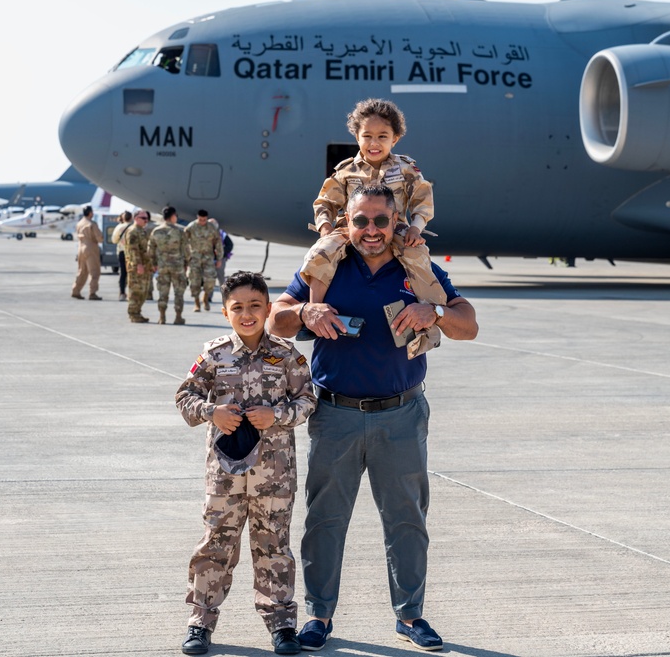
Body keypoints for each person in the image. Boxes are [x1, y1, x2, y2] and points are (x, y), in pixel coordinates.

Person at [267, 184, 478, 652]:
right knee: (324, 519)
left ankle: (410, 616)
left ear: (395, 221)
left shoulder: (416, 265)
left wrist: (435, 311)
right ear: (346, 221)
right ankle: (319, 615)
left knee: (406, 518)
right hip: (335, 414)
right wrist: (306, 309)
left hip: (401, 415)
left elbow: (469, 323)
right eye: (360, 221)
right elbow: (275, 319)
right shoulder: (327, 266)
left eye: (381, 220)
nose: (371, 230)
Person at [175, 271, 317, 656]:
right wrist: (211, 412)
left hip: (275, 473)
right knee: (216, 543)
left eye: (255, 306)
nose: (247, 313)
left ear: (269, 309)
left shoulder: (287, 355)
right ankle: (200, 622)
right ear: (226, 312)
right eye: (238, 307)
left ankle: (282, 624)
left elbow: (308, 400)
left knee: (273, 544)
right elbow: (184, 397)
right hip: (225, 474)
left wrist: (278, 415)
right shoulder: (214, 354)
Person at [304, 99, 446, 356]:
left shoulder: (405, 169)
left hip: (396, 229)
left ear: (396, 138)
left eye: (382, 136)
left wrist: (416, 228)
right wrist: (325, 228)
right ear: (356, 137)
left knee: (419, 258)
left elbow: (423, 200)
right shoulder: (346, 171)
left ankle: (431, 320)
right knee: (320, 252)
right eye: (367, 136)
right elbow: (325, 201)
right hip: (353, 230)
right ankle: (315, 312)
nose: (374, 143)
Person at [148, 206, 189, 325]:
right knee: (178, 293)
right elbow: (186, 250)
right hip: (177, 266)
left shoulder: (156, 231)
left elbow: (150, 250)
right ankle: (178, 317)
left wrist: (154, 264)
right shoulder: (180, 231)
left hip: (162, 266)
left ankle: (162, 317)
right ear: (172, 217)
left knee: (162, 292)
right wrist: (186, 264)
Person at [184, 209, 224, 312]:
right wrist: (186, 257)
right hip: (194, 258)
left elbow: (218, 243)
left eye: (204, 220)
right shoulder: (191, 227)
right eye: (200, 219)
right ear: (197, 217)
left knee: (210, 280)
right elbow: (183, 241)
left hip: (208, 258)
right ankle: (197, 303)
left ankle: (205, 299)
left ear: (207, 218)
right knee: (194, 281)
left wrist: (219, 258)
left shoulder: (211, 228)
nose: (202, 221)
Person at [123, 209, 153, 323]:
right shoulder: (133, 231)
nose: (146, 220)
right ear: (136, 218)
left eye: (147, 218)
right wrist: (138, 265)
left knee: (143, 291)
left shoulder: (142, 231)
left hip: (145, 266)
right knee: (135, 291)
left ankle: (138, 312)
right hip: (137, 267)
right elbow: (133, 251)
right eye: (143, 218)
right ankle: (133, 314)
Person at [71, 205, 103, 300]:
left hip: (81, 247)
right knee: (94, 271)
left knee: (82, 270)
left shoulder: (79, 223)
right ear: (90, 213)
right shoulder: (92, 224)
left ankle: (75, 290)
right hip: (91, 247)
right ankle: (92, 292)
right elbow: (99, 238)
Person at [111, 211, 134, 301]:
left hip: (122, 252)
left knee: (123, 273)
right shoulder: (133, 227)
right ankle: (132, 293)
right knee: (132, 273)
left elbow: (114, 240)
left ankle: (122, 293)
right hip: (132, 252)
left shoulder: (119, 227)